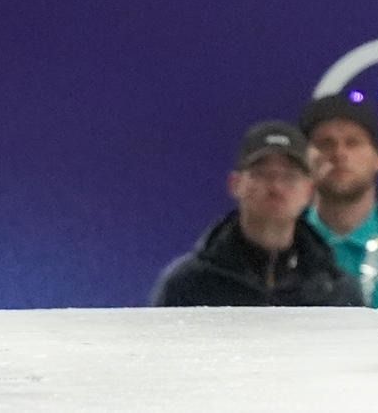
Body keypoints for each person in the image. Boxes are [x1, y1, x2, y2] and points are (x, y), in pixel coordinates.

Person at [151, 121, 362, 307]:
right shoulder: (188, 284)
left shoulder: (337, 292)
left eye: (290, 176)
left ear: (309, 191)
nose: (276, 187)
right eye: (261, 174)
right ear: (235, 184)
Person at [300, 93, 378, 308]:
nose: (339, 153)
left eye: (353, 142)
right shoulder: (282, 241)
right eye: (325, 143)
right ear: (304, 159)